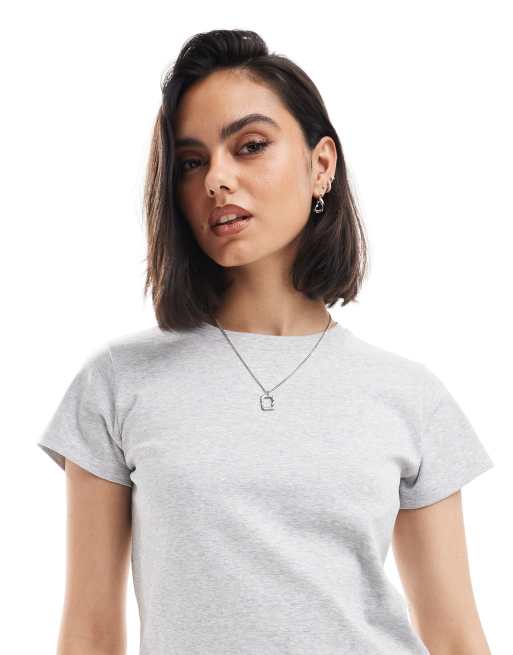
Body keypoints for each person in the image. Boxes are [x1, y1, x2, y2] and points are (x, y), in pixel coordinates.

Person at [37, 29, 494, 655]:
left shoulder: (410, 395)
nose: (216, 180)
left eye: (249, 146)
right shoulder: (117, 383)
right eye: (191, 162)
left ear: (321, 165)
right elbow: (89, 633)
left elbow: (456, 637)